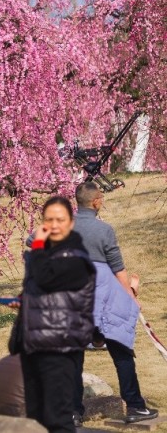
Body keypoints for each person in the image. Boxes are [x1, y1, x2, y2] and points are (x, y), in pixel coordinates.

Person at [71, 181, 157, 425]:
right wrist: (131, 299)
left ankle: (73, 413)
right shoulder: (104, 230)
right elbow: (118, 270)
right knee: (122, 354)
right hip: (103, 303)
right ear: (96, 201)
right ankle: (135, 407)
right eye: (102, 198)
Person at [13, 196, 95, 433]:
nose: (54, 225)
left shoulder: (75, 256)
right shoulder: (48, 256)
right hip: (37, 345)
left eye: (60, 219)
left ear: (71, 223)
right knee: (38, 419)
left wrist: (37, 246)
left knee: (57, 419)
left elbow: (45, 279)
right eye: (49, 220)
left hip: (61, 346)